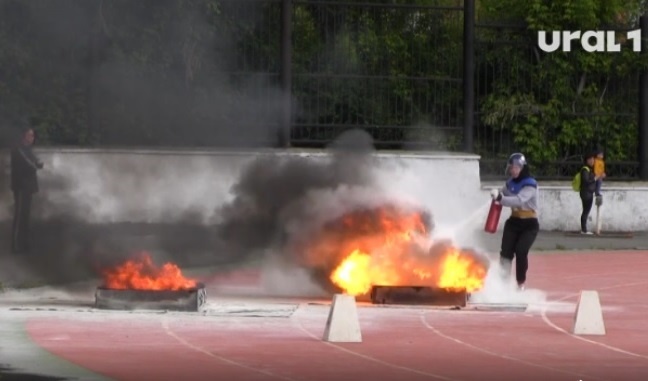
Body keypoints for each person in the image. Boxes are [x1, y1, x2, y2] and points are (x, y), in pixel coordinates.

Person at [490, 153, 539, 291]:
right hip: (513, 222)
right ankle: (502, 283)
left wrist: (500, 198)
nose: (514, 170)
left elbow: (519, 200)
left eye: (517, 167)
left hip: (529, 224)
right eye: (512, 167)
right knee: (505, 252)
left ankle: (520, 283)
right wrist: (496, 194)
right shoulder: (510, 182)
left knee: (521, 250)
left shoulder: (530, 184)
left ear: (523, 168)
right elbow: (503, 193)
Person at [10, 127, 44, 254]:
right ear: (23, 136)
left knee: (25, 216)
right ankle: (15, 246)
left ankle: (24, 244)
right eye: (29, 135)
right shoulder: (18, 149)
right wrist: (37, 164)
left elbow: (36, 161)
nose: (31, 138)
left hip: (28, 187)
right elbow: (31, 164)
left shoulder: (28, 150)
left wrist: (38, 163)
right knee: (19, 217)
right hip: (20, 187)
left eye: (33, 136)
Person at [579, 151, 605, 235]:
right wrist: (595, 178)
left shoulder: (590, 169)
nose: (592, 161)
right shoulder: (585, 170)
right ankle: (584, 230)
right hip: (586, 193)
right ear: (586, 160)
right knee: (586, 211)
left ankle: (584, 229)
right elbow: (586, 181)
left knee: (586, 210)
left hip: (588, 192)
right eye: (590, 159)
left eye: (593, 159)